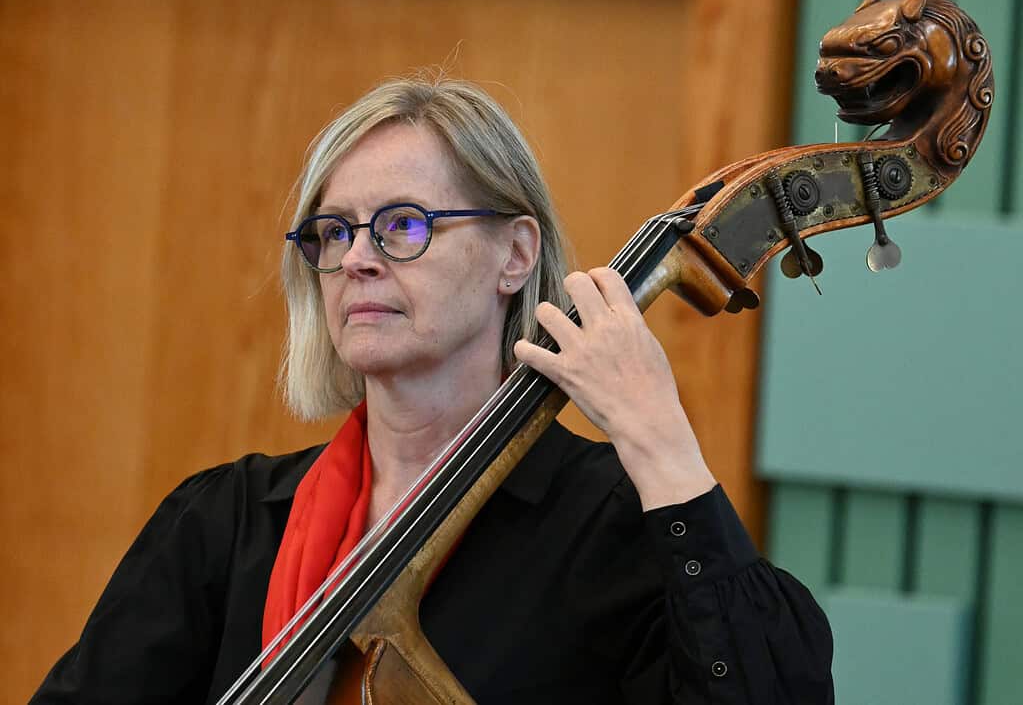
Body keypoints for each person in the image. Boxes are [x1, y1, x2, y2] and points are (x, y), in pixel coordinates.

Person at [31, 76, 834, 704]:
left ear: (513, 254)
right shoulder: (226, 527)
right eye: (334, 231)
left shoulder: (615, 536)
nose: (356, 260)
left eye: (403, 224)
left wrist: (660, 439)